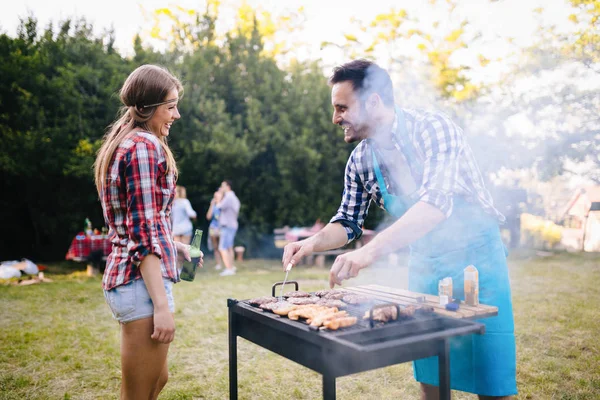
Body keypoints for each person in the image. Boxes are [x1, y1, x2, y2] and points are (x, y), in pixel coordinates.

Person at [282, 59, 517, 399]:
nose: (335, 118)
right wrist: (312, 243)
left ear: (374, 102)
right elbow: (348, 222)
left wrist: (370, 252)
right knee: (432, 376)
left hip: (477, 264)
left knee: (490, 377)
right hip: (426, 267)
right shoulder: (360, 160)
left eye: (342, 107)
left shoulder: (433, 129)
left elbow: (436, 205)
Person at [93, 64, 203, 400]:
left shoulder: (129, 142)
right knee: (139, 393)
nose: (177, 114)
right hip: (139, 284)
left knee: (158, 379)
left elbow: (142, 221)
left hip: (136, 279)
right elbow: (141, 234)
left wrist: (176, 247)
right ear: (146, 108)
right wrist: (161, 307)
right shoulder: (143, 147)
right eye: (170, 106)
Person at [217, 180, 240, 276]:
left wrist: (218, 199)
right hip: (232, 225)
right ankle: (231, 267)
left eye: (223, 186)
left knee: (222, 248)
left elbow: (219, 206)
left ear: (228, 187)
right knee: (229, 247)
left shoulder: (229, 196)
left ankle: (229, 269)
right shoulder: (233, 197)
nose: (221, 188)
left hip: (227, 226)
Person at [206, 188, 224, 270]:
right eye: (215, 196)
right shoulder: (213, 206)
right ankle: (218, 264)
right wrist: (211, 205)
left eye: (218, 196)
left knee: (223, 246)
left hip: (221, 228)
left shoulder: (223, 205)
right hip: (213, 228)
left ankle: (225, 263)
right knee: (216, 247)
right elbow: (208, 217)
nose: (216, 197)